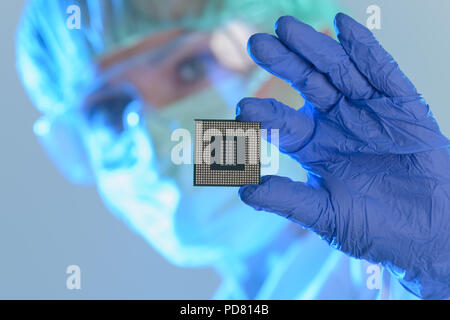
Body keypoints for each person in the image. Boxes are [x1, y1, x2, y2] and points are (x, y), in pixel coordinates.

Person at [15, 0, 446, 299]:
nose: (152, 136)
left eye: (189, 67)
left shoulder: (403, 274)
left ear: (306, 56)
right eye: (108, 110)